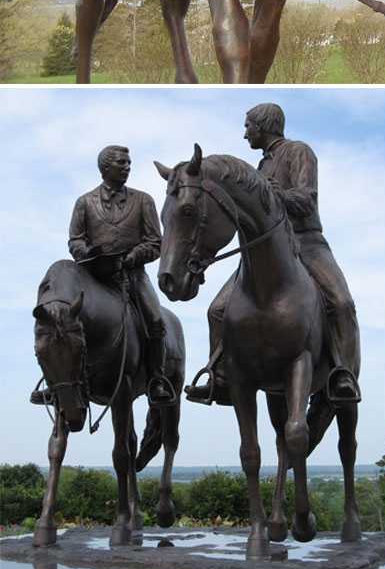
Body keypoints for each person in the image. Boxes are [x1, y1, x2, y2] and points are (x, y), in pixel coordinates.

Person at [186, 103, 360, 405]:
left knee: (341, 303)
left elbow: (306, 200)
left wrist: (272, 194)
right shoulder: (260, 168)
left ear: (264, 125)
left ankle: (343, 372)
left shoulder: (298, 151)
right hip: (267, 251)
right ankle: (221, 376)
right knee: (216, 310)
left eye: (248, 126)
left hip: (307, 243)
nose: (244, 135)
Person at [32, 146, 174, 406]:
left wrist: (133, 256)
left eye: (129, 163)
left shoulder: (143, 201)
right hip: (93, 276)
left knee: (155, 320)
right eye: (122, 162)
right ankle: (54, 385)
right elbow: (74, 240)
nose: (127, 167)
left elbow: (155, 242)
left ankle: (156, 378)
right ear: (105, 168)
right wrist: (88, 252)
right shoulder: (85, 202)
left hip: (132, 276)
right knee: (59, 321)